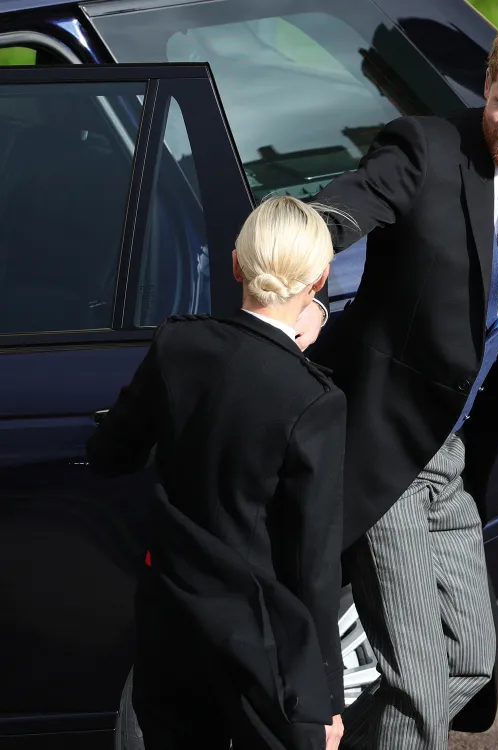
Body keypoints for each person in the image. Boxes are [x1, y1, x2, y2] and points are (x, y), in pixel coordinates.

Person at [296, 16, 498, 749]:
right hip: (382, 445)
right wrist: (295, 247)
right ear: (485, 87)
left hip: (450, 456)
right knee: (418, 680)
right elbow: (350, 204)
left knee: (469, 662)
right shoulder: (426, 151)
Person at [86, 196, 349, 750]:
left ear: (235, 264)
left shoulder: (179, 344)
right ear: (320, 281)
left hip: (170, 616)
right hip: (258, 639)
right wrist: (323, 696)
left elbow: (113, 456)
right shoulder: (312, 400)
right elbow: (313, 563)